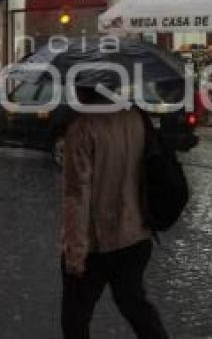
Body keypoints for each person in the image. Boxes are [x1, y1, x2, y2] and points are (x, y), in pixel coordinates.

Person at [61, 93, 168, 339]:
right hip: (135, 234)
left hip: (96, 242)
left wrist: (75, 253)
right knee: (137, 308)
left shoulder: (82, 127)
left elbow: (77, 195)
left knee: (75, 320)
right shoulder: (134, 117)